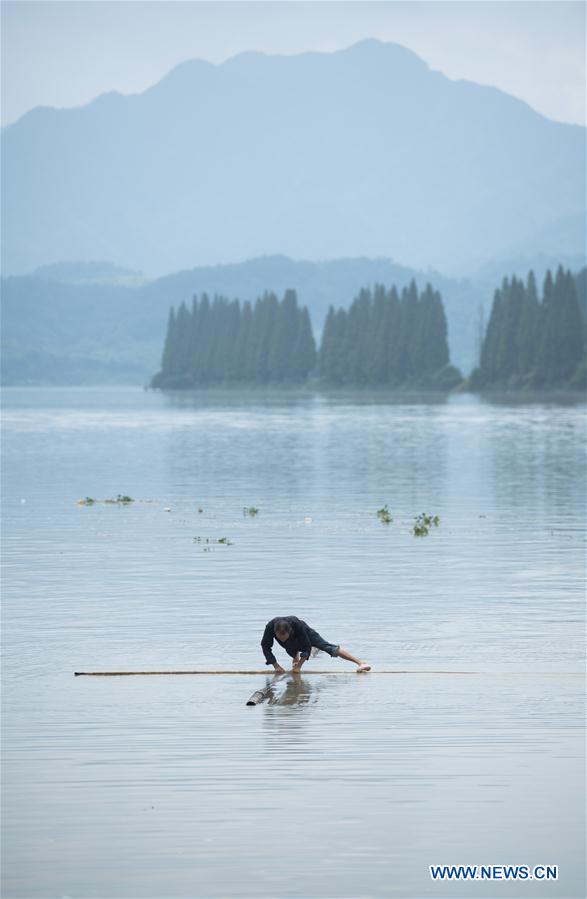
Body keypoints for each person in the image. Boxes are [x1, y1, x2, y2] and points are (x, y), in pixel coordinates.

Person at [261, 615, 371, 673]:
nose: (282, 640)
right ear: (275, 633)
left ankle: (360, 663)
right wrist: (276, 666)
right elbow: (265, 646)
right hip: (292, 641)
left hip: (306, 632)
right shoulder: (270, 627)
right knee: (290, 648)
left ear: (289, 632)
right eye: (280, 638)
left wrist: (299, 666)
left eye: (284, 637)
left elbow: (306, 645)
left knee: (326, 647)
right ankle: (295, 657)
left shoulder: (296, 624)